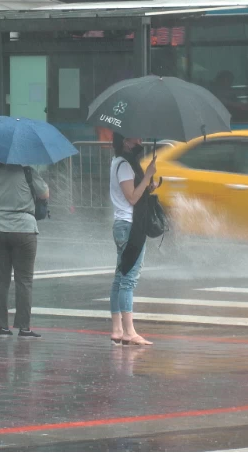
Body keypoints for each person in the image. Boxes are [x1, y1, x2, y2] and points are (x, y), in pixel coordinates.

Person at [0, 162, 49, 338]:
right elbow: (45, 194)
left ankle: (2, 327)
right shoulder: (28, 172)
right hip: (24, 230)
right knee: (24, 280)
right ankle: (24, 328)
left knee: (0, 280)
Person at [109, 132, 157, 346]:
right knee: (128, 279)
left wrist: (148, 185)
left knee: (120, 278)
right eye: (135, 138)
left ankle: (117, 330)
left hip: (123, 225)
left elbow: (134, 193)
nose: (140, 141)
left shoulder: (119, 162)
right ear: (124, 141)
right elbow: (131, 198)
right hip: (130, 226)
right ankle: (129, 332)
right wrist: (147, 176)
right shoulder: (124, 165)